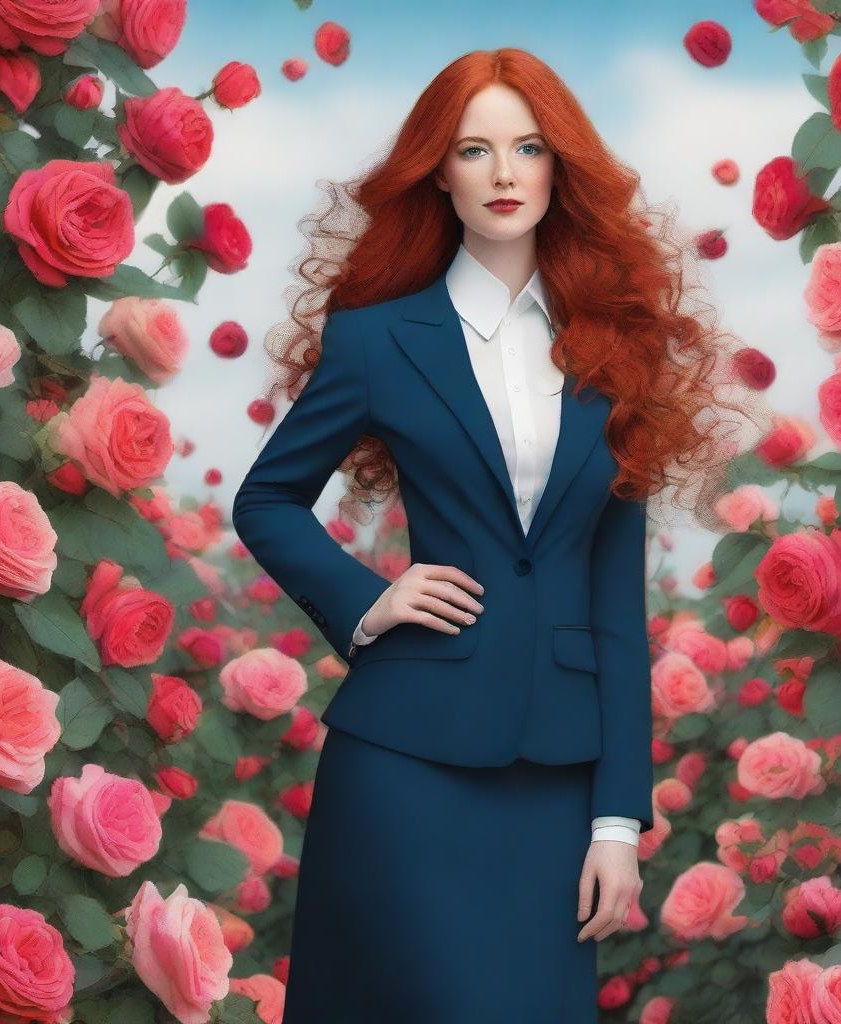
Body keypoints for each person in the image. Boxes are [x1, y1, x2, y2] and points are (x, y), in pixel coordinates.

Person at [231, 47, 767, 1024]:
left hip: (555, 784)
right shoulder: (376, 339)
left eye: (528, 147)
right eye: (474, 150)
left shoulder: (614, 351)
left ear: (561, 166)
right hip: (403, 763)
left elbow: (614, 598)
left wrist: (616, 818)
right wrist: (368, 598)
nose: (506, 172)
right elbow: (265, 500)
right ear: (439, 171)